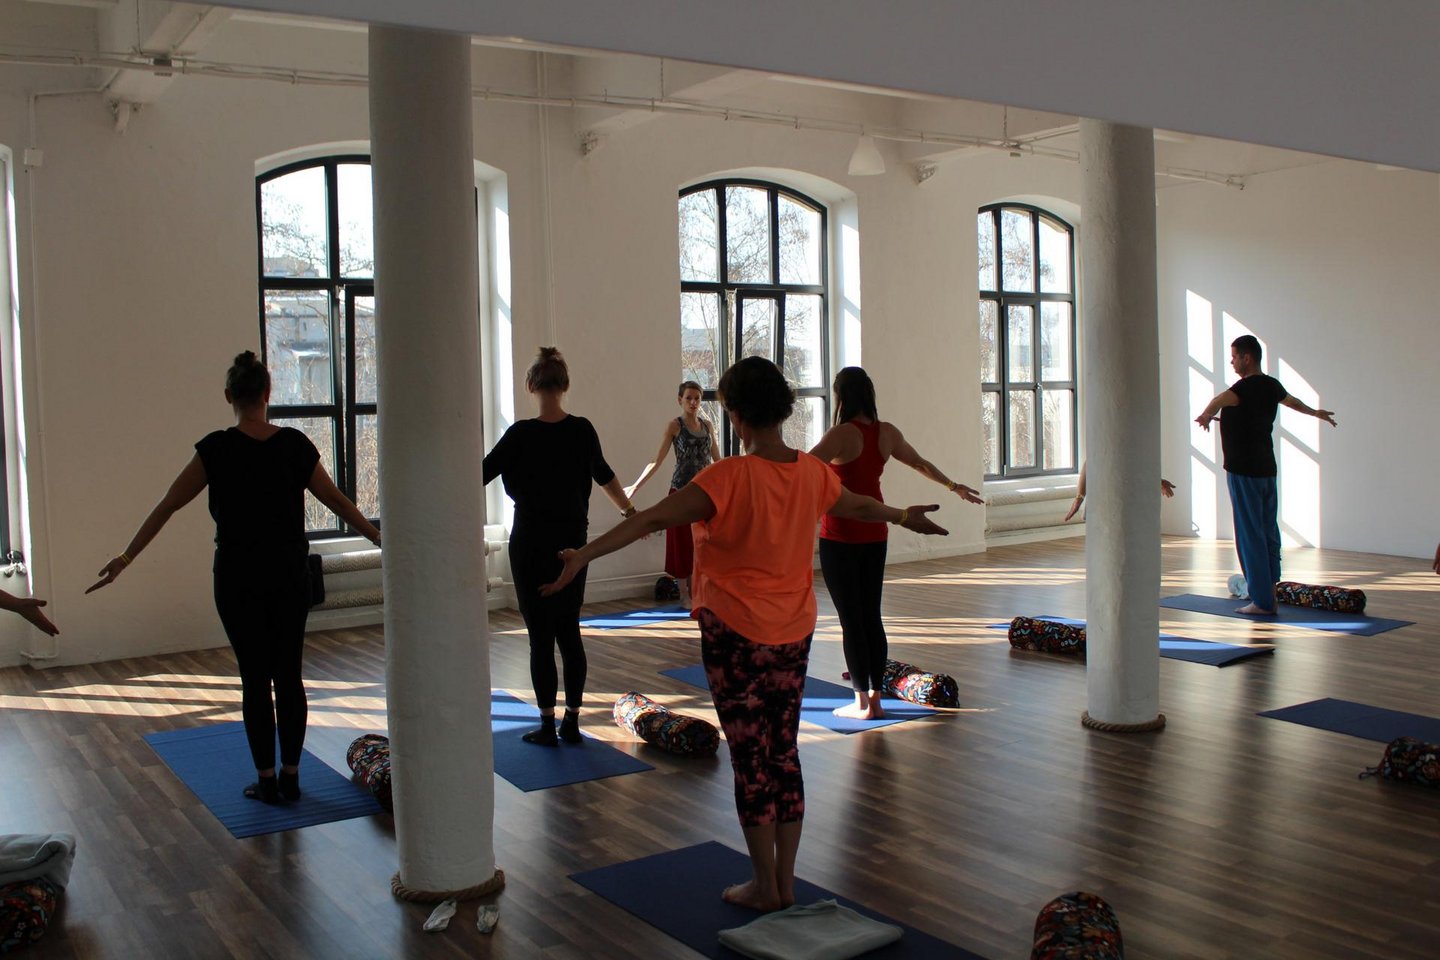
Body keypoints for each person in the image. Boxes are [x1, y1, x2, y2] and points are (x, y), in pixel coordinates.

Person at [540, 357, 948, 913]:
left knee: (751, 758)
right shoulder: (811, 473)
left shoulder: (726, 477)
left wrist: (583, 555)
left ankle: (764, 885)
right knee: (783, 752)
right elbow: (856, 503)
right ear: (781, 408)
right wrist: (902, 515)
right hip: (793, 632)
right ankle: (784, 883)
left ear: (734, 414)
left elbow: (651, 519)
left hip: (734, 636)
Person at [87, 351, 380, 804]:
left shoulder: (215, 449)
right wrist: (378, 538)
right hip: (288, 576)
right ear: (268, 393)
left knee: (255, 680)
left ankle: (266, 780)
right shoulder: (295, 445)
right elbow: (338, 502)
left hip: (237, 579)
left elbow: (167, 505)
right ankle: (291, 776)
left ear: (229, 396)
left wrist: (126, 557)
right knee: (289, 676)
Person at [808, 366, 984, 720]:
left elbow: (804, 469)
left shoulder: (841, 434)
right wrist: (954, 487)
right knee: (871, 616)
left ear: (841, 396)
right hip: (877, 533)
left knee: (851, 621)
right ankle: (875, 699)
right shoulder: (886, 433)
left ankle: (862, 703)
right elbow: (919, 463)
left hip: (841, 536)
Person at [483, 347, 636, 747]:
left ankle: (547, 724)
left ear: (531, 385)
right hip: (572, 544)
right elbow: (605, 476)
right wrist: (630, 513)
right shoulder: (582, 430)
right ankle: (571, 721)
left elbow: (479, 474)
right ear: (564, 385)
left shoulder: (519, 435)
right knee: (569, 632)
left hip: (530, 544)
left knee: (540, 638)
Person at [1195, 334, 1336, 614]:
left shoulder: (1242, 388)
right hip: (1266, 470)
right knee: (1268, 531)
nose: (1232, 362)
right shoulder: (1272, 386)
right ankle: (1269, 593)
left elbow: (1218, 400)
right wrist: (1315, 413)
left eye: (1234, 357)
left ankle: (1261, 602)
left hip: (1243, 471)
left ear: (1247, 358)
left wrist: (1205, 415)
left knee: (1250, 535)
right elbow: (1293, 402)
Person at [623, 380, 722, 601]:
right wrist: (635, 486)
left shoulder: (707, 426)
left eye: (697, 398)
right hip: (681, 491)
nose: (693, 402)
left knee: (704, 542)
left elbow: (717, 460)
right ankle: (685, 594)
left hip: (704, 492)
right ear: (680, 400)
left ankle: (700, 592)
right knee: (682, 542)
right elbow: (656, 461)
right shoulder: (675, 426)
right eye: (689, 398)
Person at [1063, 461, 1177, 523]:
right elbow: (1089, 462)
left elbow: (1136, 466)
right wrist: (1079, 497)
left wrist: (1158, 482)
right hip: (1104, 505)